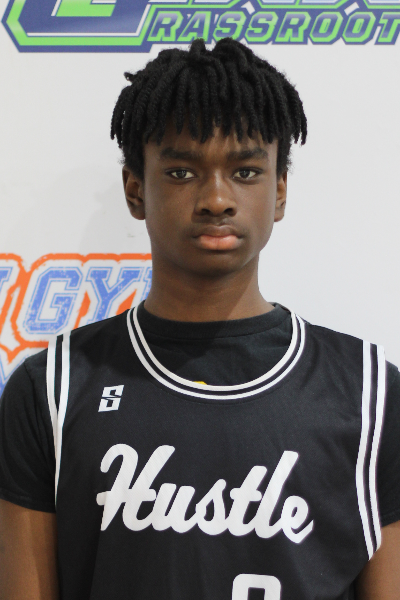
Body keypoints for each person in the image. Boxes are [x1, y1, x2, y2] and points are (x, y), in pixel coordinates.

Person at [0, 37, 399, 600]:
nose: (216, 199)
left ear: (279, 191)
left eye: (246, 171)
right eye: (183, 172)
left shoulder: (368, 393)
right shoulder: (53, 390)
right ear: (135, 189)